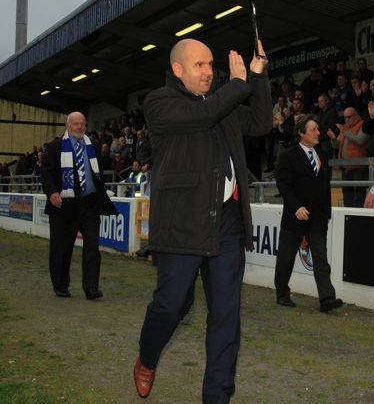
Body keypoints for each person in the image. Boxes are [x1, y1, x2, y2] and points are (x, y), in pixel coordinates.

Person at [133, 39, 271, 403]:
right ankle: (147, 357)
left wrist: (257, 76)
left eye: (211, 64)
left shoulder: (221, 106)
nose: (209, 71)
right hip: (182, 223)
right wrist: (238, 85)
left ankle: (217, 397)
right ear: (178, 69)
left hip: (227, 222)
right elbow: (203, 115)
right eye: (199, 65)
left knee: (226, 316)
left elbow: (260, 122)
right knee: (173, 304)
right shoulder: (160, 102)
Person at [40, 112, 118, 299]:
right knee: (62, 248)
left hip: (90, 204)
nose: (79, 127)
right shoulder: (54, 147)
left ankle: (91, 287)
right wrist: (52, 192)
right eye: (75, 123)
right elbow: (46, 174)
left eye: (82, 123)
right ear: (68, 126)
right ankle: (60, 284)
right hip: (64, 205)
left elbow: (97, 173)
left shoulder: (94, 146)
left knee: (92, 246)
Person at [274, 115, 343, 312]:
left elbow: (325, 186)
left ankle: (327, 299)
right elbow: (283, 185)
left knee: (321, 259)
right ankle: (282, 293)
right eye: (313, 130)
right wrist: (296, 207)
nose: (318, 133)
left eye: (318, 130)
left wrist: (326, 213)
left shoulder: (322, 154)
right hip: (295, 217)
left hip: (317, 218)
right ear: (301, 133)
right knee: (286, 258)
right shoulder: (288, 155)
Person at [328, 107, 368, 207]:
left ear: (355, 115)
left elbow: (360, 140)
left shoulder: (362, 124)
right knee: (346, 192)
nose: (347, 119)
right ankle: (347, 213)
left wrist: (344, 132)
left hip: (359, 167)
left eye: (349, 117)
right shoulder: (345, 127)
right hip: (345, 167)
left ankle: (358, 216)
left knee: (359, 193)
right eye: (345, 117)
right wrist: (333, 139)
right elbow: (337, 145)